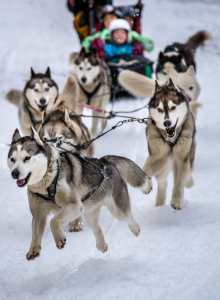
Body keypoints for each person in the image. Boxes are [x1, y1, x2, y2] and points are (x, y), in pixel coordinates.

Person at [83, 18, 154, 54]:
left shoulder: (133, 48)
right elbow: (88, 45)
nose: (120, 35)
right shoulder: (107, 48)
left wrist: (140, 45)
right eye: (116, 33)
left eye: (122, 33)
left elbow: (149, 46)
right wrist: (96, 46)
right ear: (111, 35)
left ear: (127, 35)